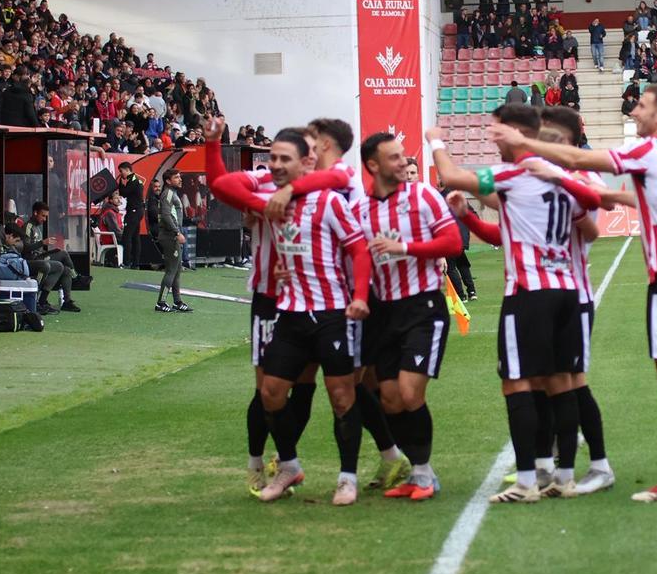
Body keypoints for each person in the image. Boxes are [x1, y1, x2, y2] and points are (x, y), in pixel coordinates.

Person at [488, 86, 657, 502]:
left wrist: (525, 145)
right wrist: (600, 194)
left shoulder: (649, 151)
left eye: (641, 105)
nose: (634, 110)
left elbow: (581, 160)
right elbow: (642, 197)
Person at [431, 104, 604, 503]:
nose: (493, 138)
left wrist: (434, 139)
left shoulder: (515, 174)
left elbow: (453, 175)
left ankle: (527, 481)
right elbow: (590, 225)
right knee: (561, 382)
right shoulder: (563, 177)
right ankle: (558, 474)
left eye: (497, 132)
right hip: (567, 289)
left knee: (517, 384)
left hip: (529, 292)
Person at [210, 127, 373, 503]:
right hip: (289, 313)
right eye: (274, 158)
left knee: (342, 396)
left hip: (331, 311)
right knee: (270, 392)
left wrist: (361, 297)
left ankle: (348, 477)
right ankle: (289, 465)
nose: (277, 165)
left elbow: (359, 249)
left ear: (306, 162)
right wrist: (212, 142)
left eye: (286, 159)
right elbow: (220, 185)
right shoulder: (268, 201)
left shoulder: (330, 201)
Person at [355, 133, 464, 501]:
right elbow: (354, 258)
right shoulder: (360, 209)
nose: (404, 162)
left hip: (423, 305)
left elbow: (453, 244)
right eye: (395, 157)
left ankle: (422, 474)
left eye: (404, 156)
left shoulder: (423, 196)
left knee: (408, 392)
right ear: (373, 165)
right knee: (389, 399)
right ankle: (420, 471)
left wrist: (404, 247)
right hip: (384, 311)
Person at [23, 201, 80, 315]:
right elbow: (25, 248)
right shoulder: (28, 226)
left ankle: (67, 301)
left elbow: (37, 248)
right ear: (35, 213)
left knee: (65, 269)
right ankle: (76, 279)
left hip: (40, 257)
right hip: (32, 261)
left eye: (46, 216)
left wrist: (46, 251)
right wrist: (42, 242)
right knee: (61, 260)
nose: (44, 219)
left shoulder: (37, 228)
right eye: (43, 215)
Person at [155, 170, 190, 313]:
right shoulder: (168, 194)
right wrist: (177, 232)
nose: (180, 179)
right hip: (170, 236)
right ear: (168, 181)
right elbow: (166, 215)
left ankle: (177, 301)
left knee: (176, 270)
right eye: (176, 177)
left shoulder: (172, 193)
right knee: (171, 270)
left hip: (172, 235)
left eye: (180, 177)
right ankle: (161, 303)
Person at [116, 161, 145, 269]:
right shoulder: (135, 180)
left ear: (127, 169)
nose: (121, 173)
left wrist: (120, 183)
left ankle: (127, 262)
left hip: (134, 211)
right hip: (137, 210)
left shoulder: (133, 180)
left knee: (127, 236)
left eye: (121, 171)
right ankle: (135, 263)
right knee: (135, 236)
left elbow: (124, 192)